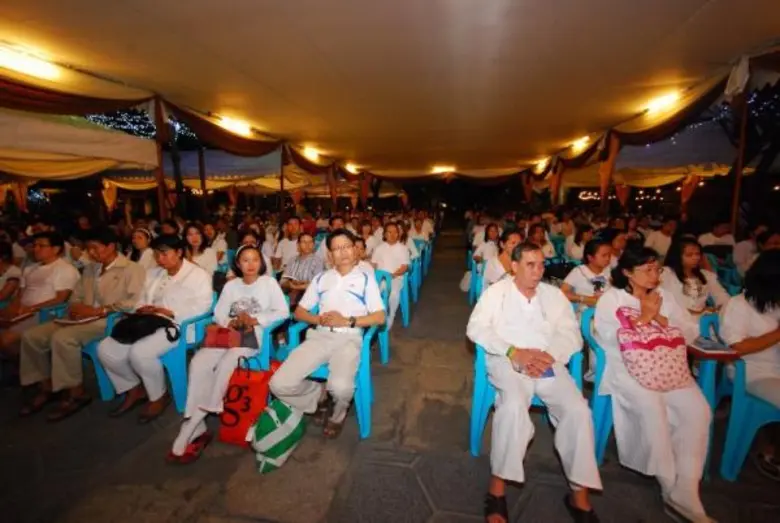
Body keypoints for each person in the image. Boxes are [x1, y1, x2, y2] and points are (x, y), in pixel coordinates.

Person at [467, 241, 601, 523]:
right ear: (514, 266)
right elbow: (476, 327)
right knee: (513, 407)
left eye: (541, 265)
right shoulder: (497, 293)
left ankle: (579, 496)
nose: (537, 271)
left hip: (547, 362)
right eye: (530, 264)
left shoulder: (553, 296)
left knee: (578, 411)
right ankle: (497, 488)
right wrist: (514, 351)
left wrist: (549, 355)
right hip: (509, 360)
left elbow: (571, 334)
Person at [594, 248, 713, 522]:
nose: (654, 275)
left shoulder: (665, 297)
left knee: (698, 411)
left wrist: (660, 317)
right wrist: (643, 318)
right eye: (646, 270)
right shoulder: (612, 299)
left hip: (669, 368)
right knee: (652, 408)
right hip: (628, 369)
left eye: (656, 269)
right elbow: (605, 337)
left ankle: (687, 489)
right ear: (627, 272)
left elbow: (691, 330)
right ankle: (668, 481)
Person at [168, 244, 288, 463]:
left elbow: (283, 311)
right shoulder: (231, 286)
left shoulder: (268, 283)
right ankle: (194, 417)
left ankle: (196, 420)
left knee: (228, 359)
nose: (250, 264)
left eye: (255, 260)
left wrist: (255, 319)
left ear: (261, 263)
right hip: (229, 335)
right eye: (245, 260)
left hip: (253, 337)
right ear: (238, 264)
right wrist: (230, 321)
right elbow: (219, 313)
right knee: (199, 361)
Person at [269, 229, 386, 438]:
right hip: (320, 336)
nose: (343, 252)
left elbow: (379, 317)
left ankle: (338, 415)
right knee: (278, 384)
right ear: (330, 255)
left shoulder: (366, 279)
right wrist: (317, 319)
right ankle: (318, 396)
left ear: (355, 250)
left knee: (340, 387)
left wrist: (348, 320)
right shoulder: (321, 279)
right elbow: (299, 312)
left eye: (347, 246)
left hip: (349, 337)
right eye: (337, 248)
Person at [19, 228, 146, 420]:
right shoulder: (90, 269)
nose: (91, 253)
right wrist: (77, 308)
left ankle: (75, 392)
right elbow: (75, 296)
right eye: (89, 249)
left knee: (63, 338)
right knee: (32, 336)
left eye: (95, 248)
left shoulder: (131, 269)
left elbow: (133, 302)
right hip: (82, 317)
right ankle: (46, 385)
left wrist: (99, 311)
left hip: (108, 319)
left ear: (111, 247)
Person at [97, 234, 213, 422]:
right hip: (148, 322)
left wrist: (170, 312)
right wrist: (143, 308)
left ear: (179, 252)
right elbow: (140, 299)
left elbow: (203, 306)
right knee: (105, 349)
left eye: (165, 254)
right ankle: (133, 388)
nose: (160, 259)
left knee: (140, 352)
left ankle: (158, 396)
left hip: (177, 325)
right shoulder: (153, 273)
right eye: (157, 255)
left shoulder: (198, 275)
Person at [719, 250, 780, 481]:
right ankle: (769, 453)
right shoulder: (739, 305)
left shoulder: (774, 305)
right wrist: (777, 334)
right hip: (752, 372)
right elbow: (737, 348)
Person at [0, 232, 80, 356]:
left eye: (41, 246)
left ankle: (26, 364)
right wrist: (12, 309)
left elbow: (60, 299)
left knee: (5, 339)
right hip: (23, 312)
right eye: (35, 245)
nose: (35, 249)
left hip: (44, 314)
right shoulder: (29, 269)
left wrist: (31, 309)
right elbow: (20, 295)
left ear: (55, 249)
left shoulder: (65, 269)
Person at [660, 239, 730, 316]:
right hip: (675, 320)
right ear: (677, 256)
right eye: (689, 255)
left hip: (703, 321)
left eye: (697, 254)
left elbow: (723, 298)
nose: (696, 258)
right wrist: (697, 313)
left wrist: (717, 310)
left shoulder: (707, 275)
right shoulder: (666, 273)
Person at [371, 222, 410, 330]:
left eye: (395, 232)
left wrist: (392, 275)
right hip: (380, 277)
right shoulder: (379, 248)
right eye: (389, 232)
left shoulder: (403, 248)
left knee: (393, 293)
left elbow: (404, 267)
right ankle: (375, 316)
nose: (392, 234)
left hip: (396, 278)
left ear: (398, 234)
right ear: (384, 234)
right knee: (372, 292)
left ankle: (391, 315)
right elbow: (374, 265)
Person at [561, 239, 612, 309]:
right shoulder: (579, 271)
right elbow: (563, 293)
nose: (608, 258)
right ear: (590, 258)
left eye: (609, 255)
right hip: (587, 312)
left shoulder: (609, 270)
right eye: (604, 255)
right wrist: (587, 299)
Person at [281, 233, 325, 308]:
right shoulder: (292, 260)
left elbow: (316, 284)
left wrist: (296, 287)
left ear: (314, 245)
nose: (307, 245)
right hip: (289, 291)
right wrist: (291, 283)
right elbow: (283, 281)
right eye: (304, 242)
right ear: (298, 245)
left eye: (310, 242)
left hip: (307, 295)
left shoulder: (318, 261)